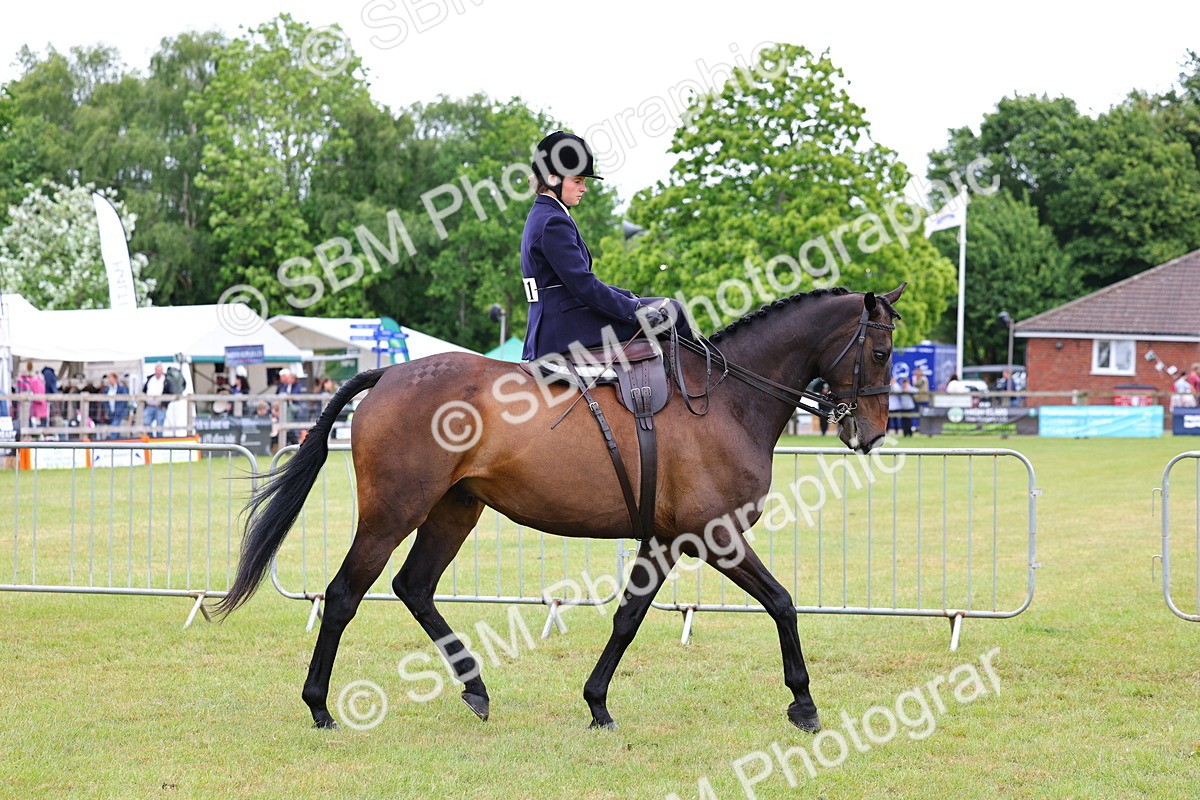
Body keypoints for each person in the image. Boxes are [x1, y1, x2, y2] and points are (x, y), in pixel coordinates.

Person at [521, 131, 693, 361]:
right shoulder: (553, 221)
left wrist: (626, 296)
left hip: (558, 319)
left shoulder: (544, 213)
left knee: (663, 307)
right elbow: (583, 285)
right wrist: (634, 310)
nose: (584, 188)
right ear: (553, 178)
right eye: (578, 181)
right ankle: (701, 386)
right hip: (564, 326)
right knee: (671, 310)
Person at [274, 368, 305, 446]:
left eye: (290, 378)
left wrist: (287, 397)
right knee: (282, 411)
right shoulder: (285, 386)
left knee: (288, 414)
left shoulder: (298, 386)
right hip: (286, 407)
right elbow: (281, 394)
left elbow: (294, 395)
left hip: (295, 406)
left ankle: (287, 428)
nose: (289, 380)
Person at [142, 364, 168, 438]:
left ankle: (159, 441)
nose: (158, 372)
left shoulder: (166, 380)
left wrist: (164, 404)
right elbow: (144, 391)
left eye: (160, 371)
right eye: (157, 370)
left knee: (159, 425)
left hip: (160, 406)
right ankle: (150, 438)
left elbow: (169, 393)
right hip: (149, 405)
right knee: (146, 423)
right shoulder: (150, 379)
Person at [104, 372, 129, 440]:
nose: (110, 380)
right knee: (115, 428)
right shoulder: (107, 389)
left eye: (111, 379)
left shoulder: (121, 388)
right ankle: (116, 441)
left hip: (118, 412)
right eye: (109, 379)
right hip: (110, 412)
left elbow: (125, 399)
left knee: (114, 427)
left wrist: (119, 410)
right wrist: (107, 410)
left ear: (115, 379)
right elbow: (105, 401)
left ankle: (112, 442)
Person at [910, 366, 930, 433]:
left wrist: (914, 380)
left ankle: (923, 427)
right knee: (916, 415)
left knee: (922, 415)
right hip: (918, 400)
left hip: (922, 400)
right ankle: (917, 427)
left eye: (916, 373)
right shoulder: (921, 379)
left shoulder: (923, 379)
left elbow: (917, 385)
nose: (915, 374)